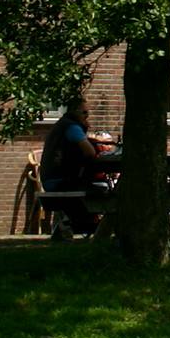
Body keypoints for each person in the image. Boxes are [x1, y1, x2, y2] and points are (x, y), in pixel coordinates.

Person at [39, 95, 113, 235]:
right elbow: (90, 152)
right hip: (61, 181)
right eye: (84, 112)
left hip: (51, 179)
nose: (87, 116)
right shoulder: (72, 127)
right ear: (75, 111)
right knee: (102, 189)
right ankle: (90, 226)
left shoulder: (61, 126)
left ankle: (72, 225)